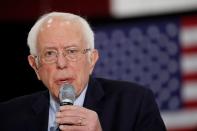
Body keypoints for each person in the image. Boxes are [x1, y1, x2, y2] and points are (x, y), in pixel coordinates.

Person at [0, 12, 166, 131]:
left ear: (92, 60)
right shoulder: (7, 117)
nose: (62, 63)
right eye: (50, 53)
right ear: (35, 65)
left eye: (71, 51)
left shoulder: (135, 103)